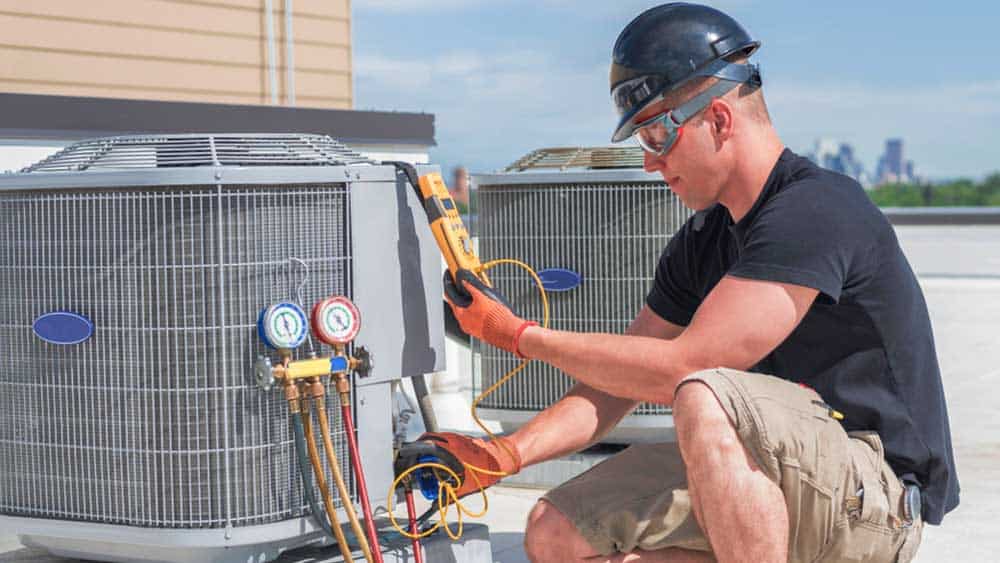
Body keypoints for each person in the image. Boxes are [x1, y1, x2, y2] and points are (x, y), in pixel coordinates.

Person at [424, 4, 959, 562]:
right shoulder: (704, 239)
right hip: (771, 479)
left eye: (656, 134)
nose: (651, 163)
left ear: (719, 120)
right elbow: (616, 384)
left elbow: (686, 366)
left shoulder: (816, 209)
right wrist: (503, 455)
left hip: (872, 496)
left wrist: (519, 336)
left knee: (704, 395)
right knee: (554, 530)